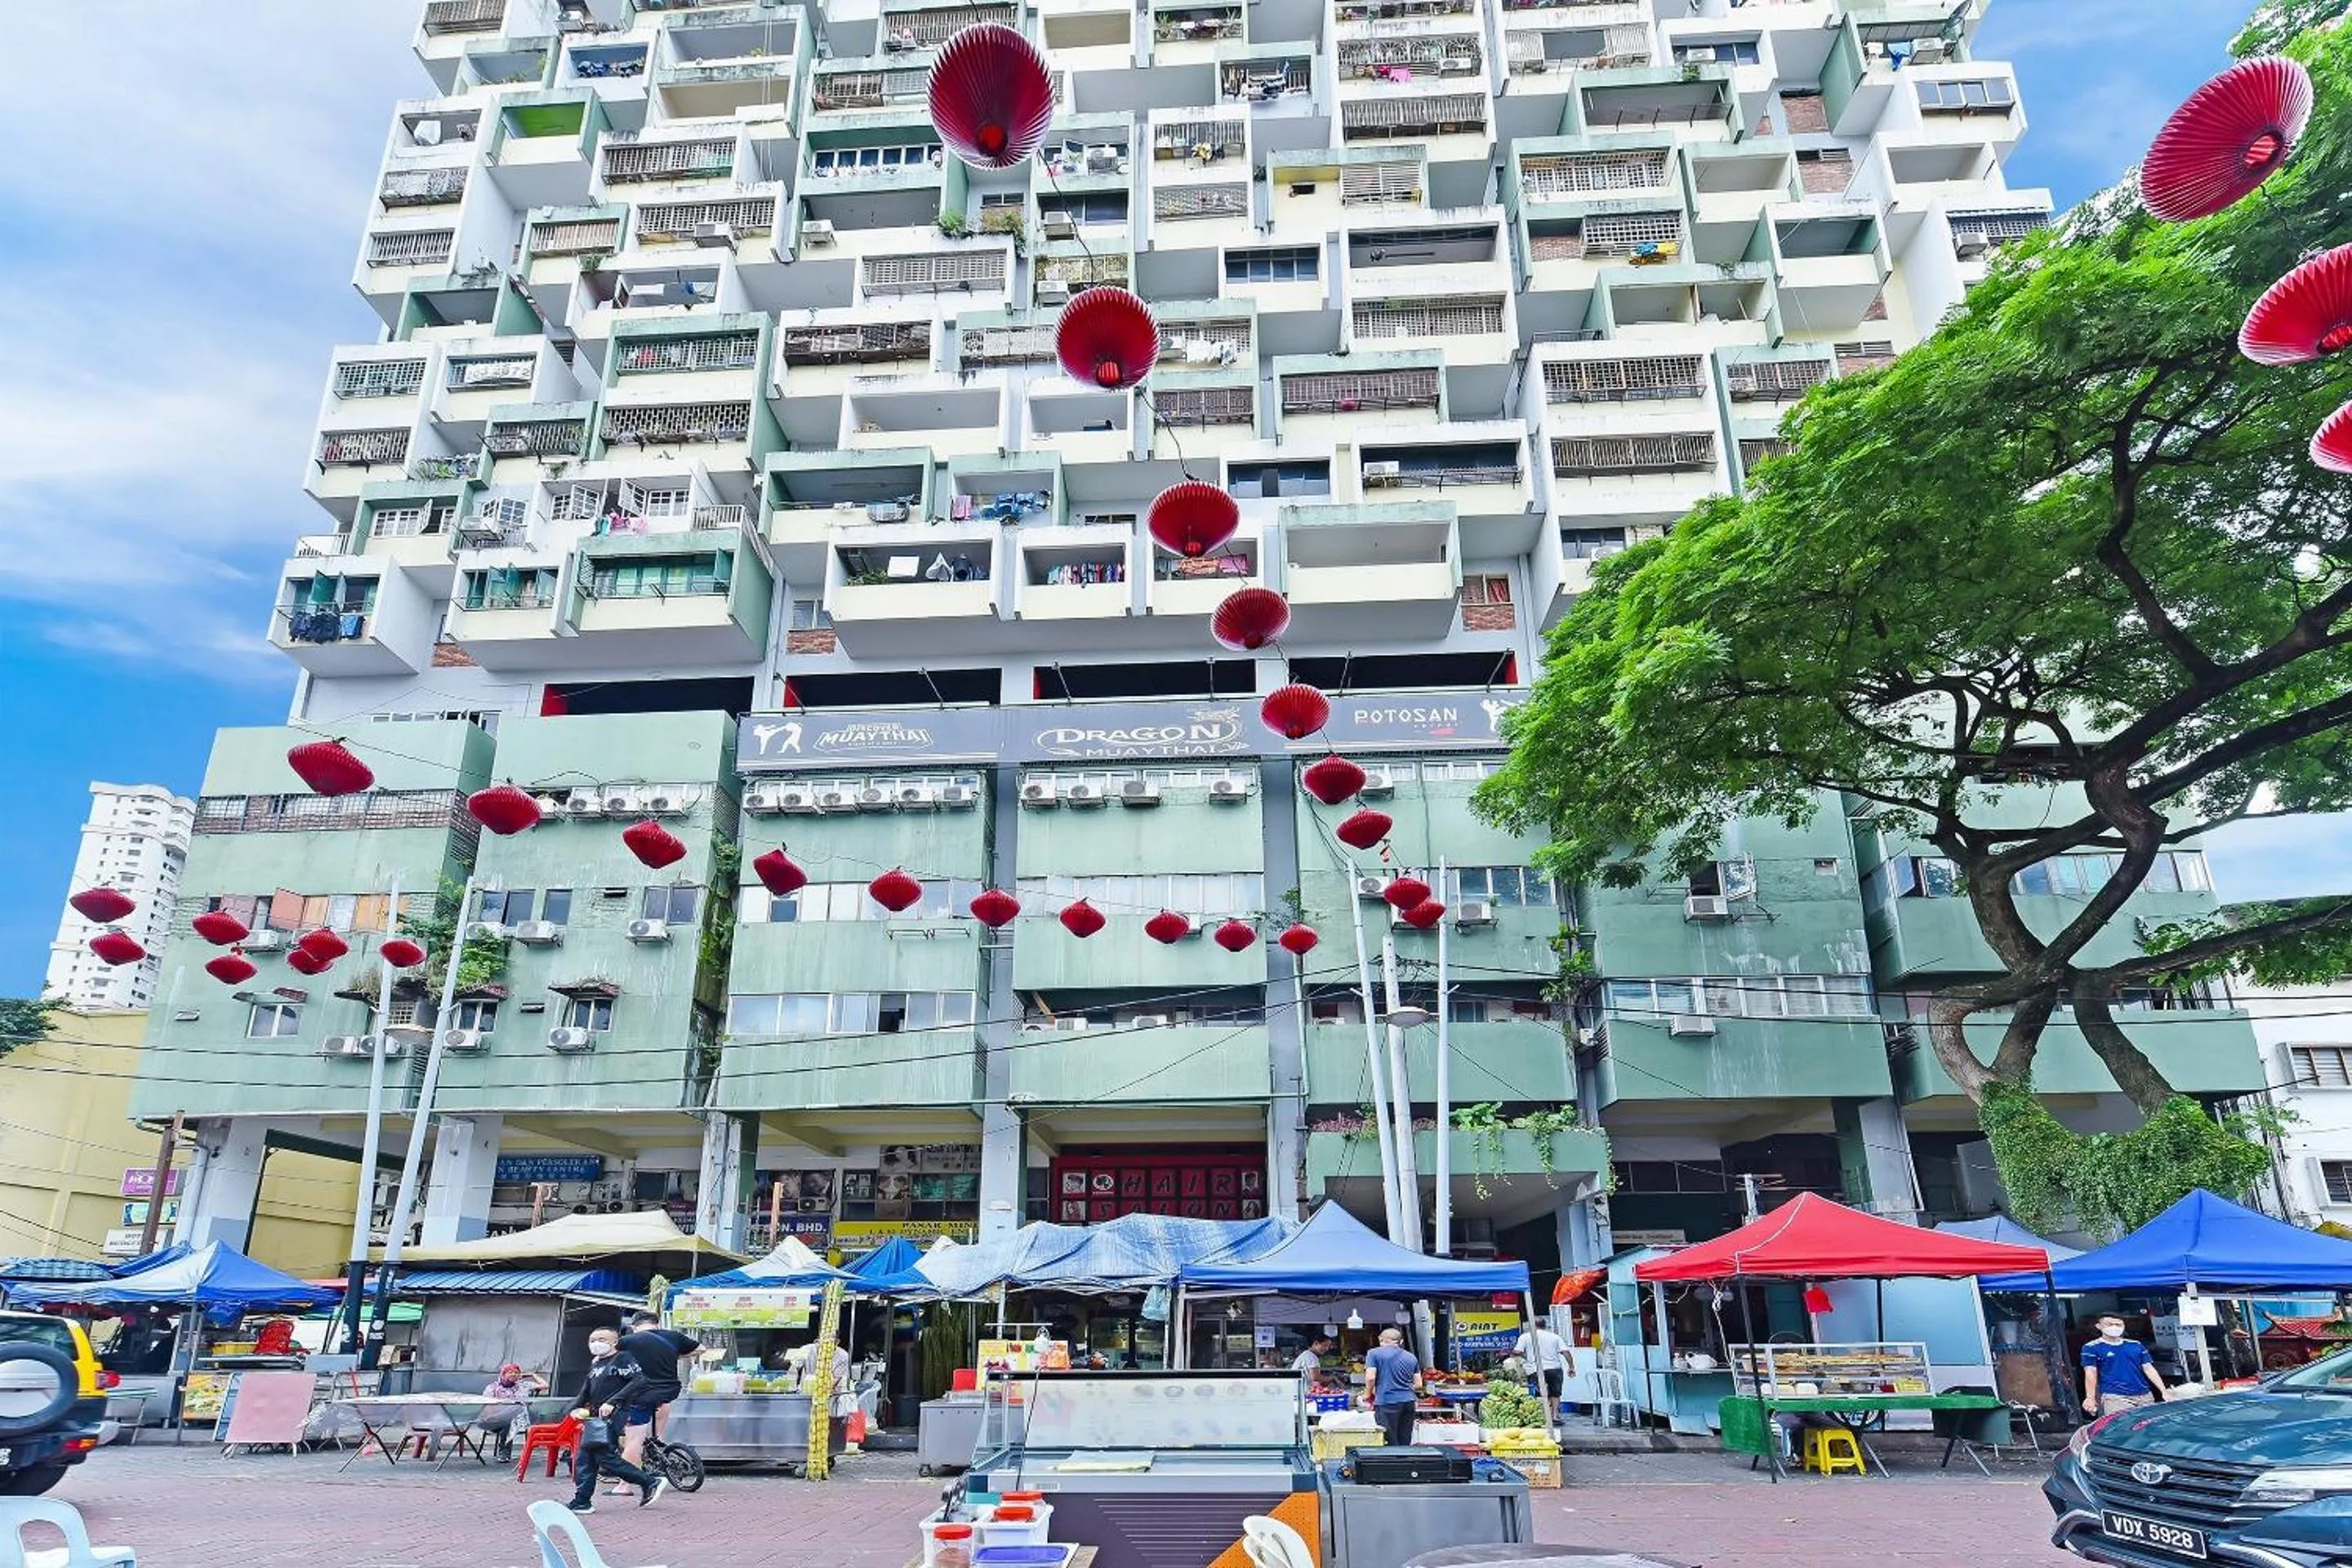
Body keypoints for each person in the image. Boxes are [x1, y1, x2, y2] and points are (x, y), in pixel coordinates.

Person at [564, 1328, 666, 1514]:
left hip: (614, 1414)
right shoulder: (596, 1364)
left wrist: (613, 1402)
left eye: (601, 1339)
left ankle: (650, 1481)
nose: (596, 1342)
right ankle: (582, 1500)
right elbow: (586, 1391)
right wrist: (572, 1410)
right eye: (592, 1339)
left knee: (604, 1457)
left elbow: (638, 1380)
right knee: (586, 1457)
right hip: (595, 1417)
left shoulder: (622, 1358)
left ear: (614, 1342)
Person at [613, 1312, 698, 1490]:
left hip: (641, 1394)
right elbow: (701, 1349)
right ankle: (658, 1444)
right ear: (657, 1324)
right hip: (668, 1392)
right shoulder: (673, 1337)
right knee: (657, 1425)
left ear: (634, 1326)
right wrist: (676, 1354)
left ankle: (624, 1486)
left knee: (634, 1440)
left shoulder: (628, 1341)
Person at [2082, 1313, 2167, 1416]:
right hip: (2115, 1396)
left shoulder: (2136, 1345)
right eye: (2110, 1324)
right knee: (2123, 1427)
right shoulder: (2091, 1348)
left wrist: (2164, 1391)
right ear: (2099, 1326)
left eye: (2118, 1325)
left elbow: (2149, 1369)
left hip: (2144, 1395)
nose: (2114, 1327)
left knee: (2147, 1427)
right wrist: (2090, 1398)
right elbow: (2090, 1373)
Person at [1362, 1327, 1423, 1447]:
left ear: (1381, 1340)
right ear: (1400, 1342)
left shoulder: (1374, 1353)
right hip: (1409, 1402)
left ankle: (1392, 1464)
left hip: (1387, 1402)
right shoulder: (1411, 1357)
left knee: (1389, 1440)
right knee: (1404, 1439)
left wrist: (1368, 1393)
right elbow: (1419, 1384)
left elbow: (1370, 1377)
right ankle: (1404, 1464)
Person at [478, 1363, 546, 1462]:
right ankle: (504, 1452)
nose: (514, 1374)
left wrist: (532, 1375)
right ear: (503, 1374)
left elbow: (545, 1386)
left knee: (510, 1420)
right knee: (508, 1419)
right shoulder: (493, 1387)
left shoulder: (524, 1385)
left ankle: (504, 1453)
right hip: (495, 1420)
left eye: (516, 1373)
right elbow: (486, 1404)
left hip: (519, 1420)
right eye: (510, 1372)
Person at [1513, 1321, 1569, 1406]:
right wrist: (1571, 1366)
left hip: (1535, 1369)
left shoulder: (1525, 1336)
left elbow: (1517, 1351)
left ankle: (1543, 1415)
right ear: (1545, 1326)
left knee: (1539, 1393)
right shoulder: (1555, 1337)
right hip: (1554, 1369)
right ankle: (1554, 1416)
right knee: (1555, 1394)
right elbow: (1566, 1352)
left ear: (1532, 1325)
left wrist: (1527, 1356)